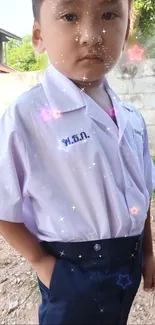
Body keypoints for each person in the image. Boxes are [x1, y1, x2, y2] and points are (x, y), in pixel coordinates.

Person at [0, 0, 155, 324]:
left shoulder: (131, 118)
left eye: (109, 15)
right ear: (39, 36)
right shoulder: (27, 118)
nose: (91, 35)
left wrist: (148, 253)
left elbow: (142, 191)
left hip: (129, 259)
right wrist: (43, 263)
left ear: (126, 30)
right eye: (70, 16)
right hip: (71, 270)